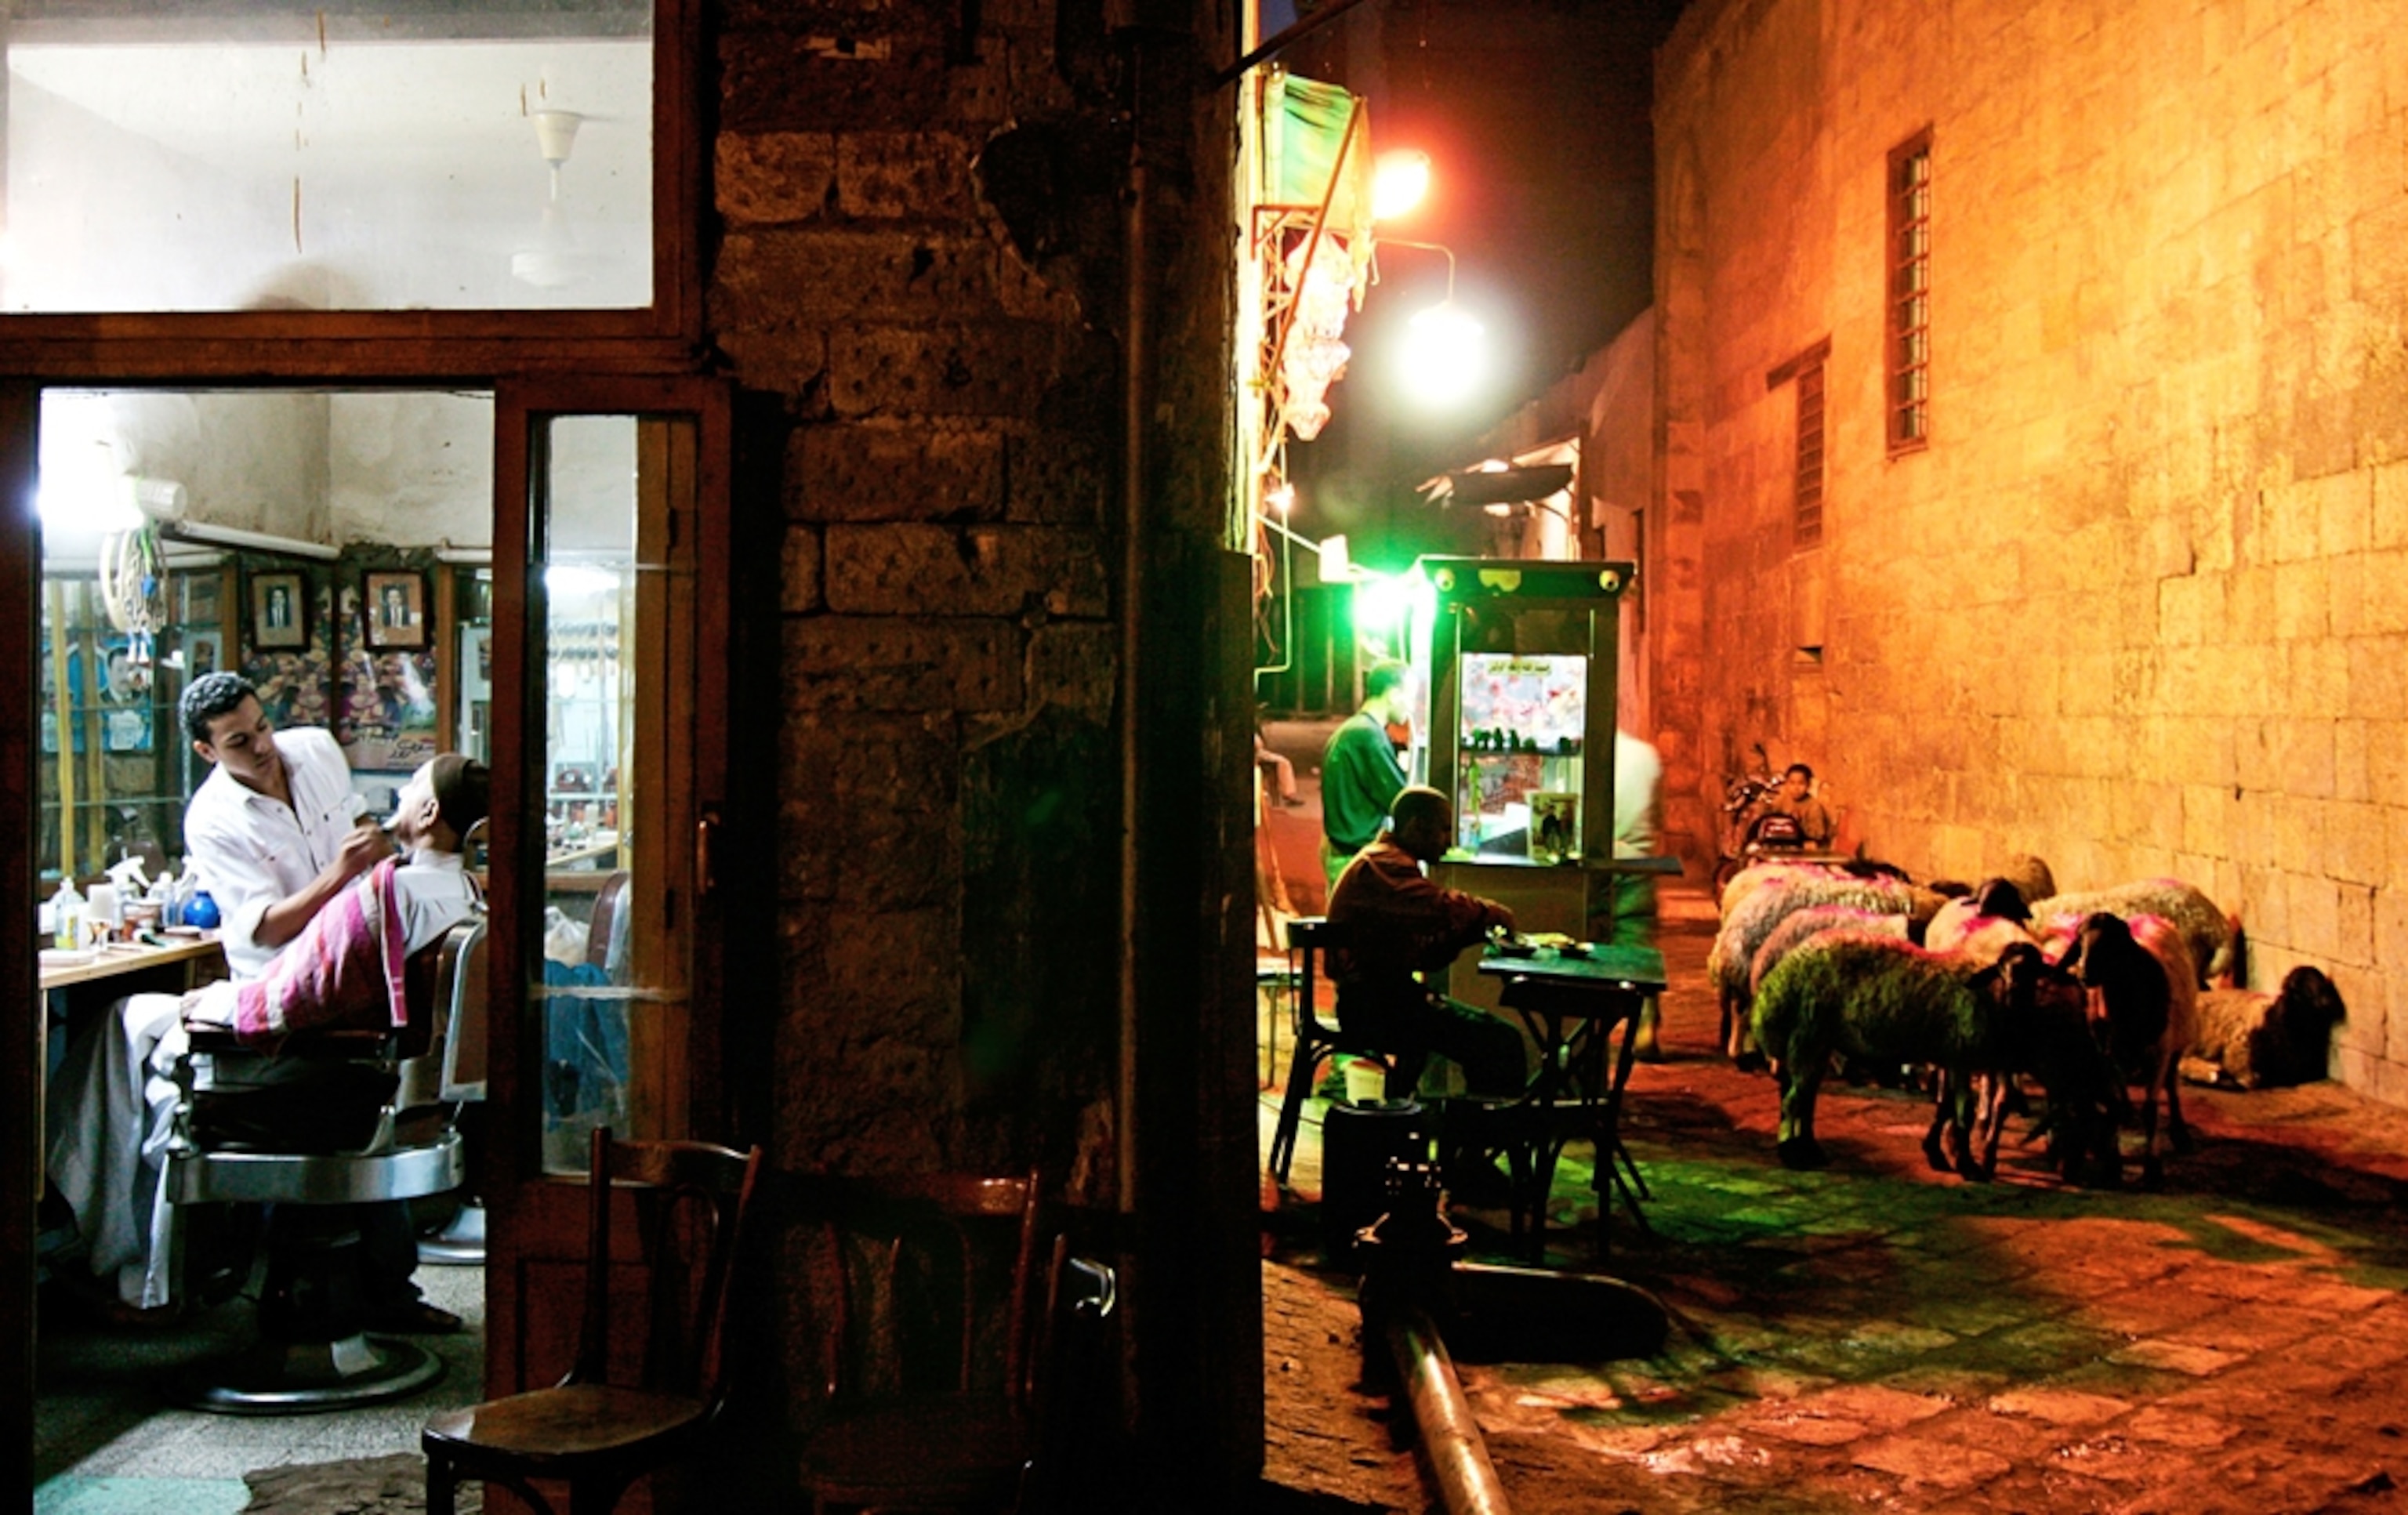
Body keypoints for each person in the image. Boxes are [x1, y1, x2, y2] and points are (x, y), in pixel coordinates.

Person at [45, 754, 488, 1323]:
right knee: (145, 1031)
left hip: (326, 1080)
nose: (399, 795)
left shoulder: (386, 893)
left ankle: (134, 1270)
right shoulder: (466, 893)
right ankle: (133, 1258)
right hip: (392, 1088)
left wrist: (215, 1003)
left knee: (131, 1027)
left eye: (411, 788)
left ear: (428, 812)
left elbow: (290, 1000)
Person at [180, 672, 393, 981]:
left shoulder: (317, 750)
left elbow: (358, 818)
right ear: (207, 751)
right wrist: (342, 871)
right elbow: (268, 929)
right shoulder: (210, 821)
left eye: (262, 727)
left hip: (355, 956)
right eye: (239, 742)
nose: (262, 747)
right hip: (281, 980)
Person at [1326, 786, 1525, 1104]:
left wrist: (1468, 933)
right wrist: (1490, 914)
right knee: (1500, 1043)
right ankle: (1473, 1143)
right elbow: (1439, 907)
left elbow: (1428, 951)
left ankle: (1467, 1139)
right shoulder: (1384, 865)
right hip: (1373, 1006)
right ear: (1416, 826)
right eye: (1444, 829)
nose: (1449, 841)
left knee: (1493, 1038)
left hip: (1381, 999)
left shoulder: (1388, 861)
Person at [1319, 662, 1412, 890]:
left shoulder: (1354, 730)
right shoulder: (1368, 736)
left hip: (1343, 855)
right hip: (1356, 860)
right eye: (1409, 696)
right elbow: (1400, 801)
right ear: (1393, 694)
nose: (1411, 706)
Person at [1608, 729, 1667, 1059]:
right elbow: (1658, 817)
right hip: (1638, 859)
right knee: (1637, 946)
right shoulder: (1647, 756)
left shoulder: (1586, 752)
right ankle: (1644, 1024)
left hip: (1599, 860)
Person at [1757, 762, 1836, 850]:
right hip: (1784, 840)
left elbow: (1818, 835)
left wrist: (1798, 825)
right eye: (1792, 783)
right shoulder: (1782, 800)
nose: (1796, 788)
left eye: (1801, 783)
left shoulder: (1814, 806)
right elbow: (1770, 815)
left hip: (1803, 843)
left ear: (1808, 785)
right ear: (1786, 784)